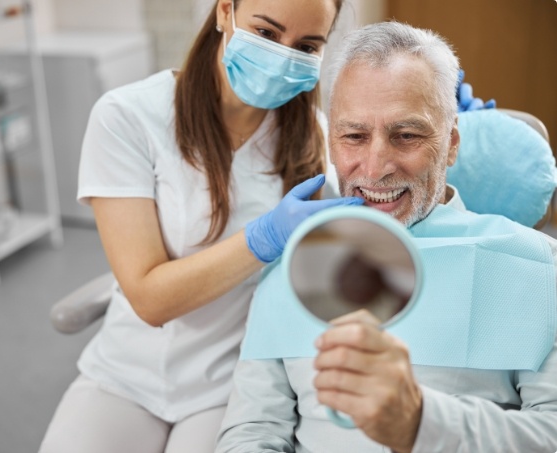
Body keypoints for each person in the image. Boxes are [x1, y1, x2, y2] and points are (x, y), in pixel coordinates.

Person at [38, 1, 366, 452]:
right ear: (224, 12)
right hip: (125, 375)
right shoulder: (129, 117)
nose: (284, 56)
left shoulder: (315, 137)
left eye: (306, 46)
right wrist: (264, 238)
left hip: (231, 384)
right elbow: (150, 300)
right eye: (267, 34)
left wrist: (450, 128)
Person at [215, 22, 557, 453]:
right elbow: (252, 431)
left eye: (407, 136)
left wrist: (421, 422)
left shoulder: (538, 266)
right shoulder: (289, 268)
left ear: (451, 144)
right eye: (354, 136)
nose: (375, 168)